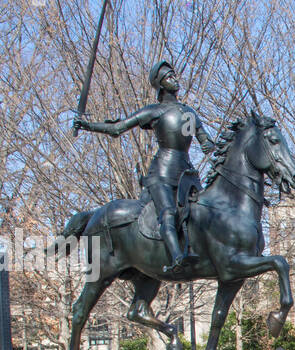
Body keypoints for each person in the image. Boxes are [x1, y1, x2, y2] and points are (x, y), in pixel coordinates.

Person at [74, 60, 215, 275]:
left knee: (204, 212)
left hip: (187, 174)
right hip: (162, 173)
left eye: (174, 75)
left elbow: (206, 142)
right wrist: (88, 125)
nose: (175, 79)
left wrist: (220, 147)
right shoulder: (154, 111)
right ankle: (177, 257)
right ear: (160, 84)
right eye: (169, 76)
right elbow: (117, 128)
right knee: (168, 212)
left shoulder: (189, 113)